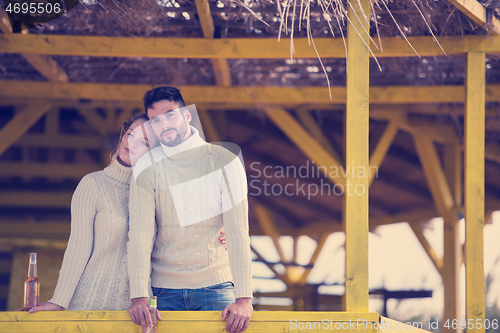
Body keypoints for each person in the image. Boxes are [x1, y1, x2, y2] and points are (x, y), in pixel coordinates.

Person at [20, 113, 226, 313]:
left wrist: (221, 234)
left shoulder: (160, 194)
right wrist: (58, 301)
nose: (132, 143)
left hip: (136, 313)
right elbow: (78, 248)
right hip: (89, 304)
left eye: (145, 142)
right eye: (130, 133)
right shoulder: (93, 184)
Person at [127, 86, 253, 333]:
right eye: (155, 120)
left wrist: (244, 299)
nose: (164, 124)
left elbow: (238, 232)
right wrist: (139, 296)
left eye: (170, 114)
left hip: (217, 289)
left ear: (186, 115)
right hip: (163, 293)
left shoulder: (224, 161)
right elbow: (141, 235)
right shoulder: (146, 166)